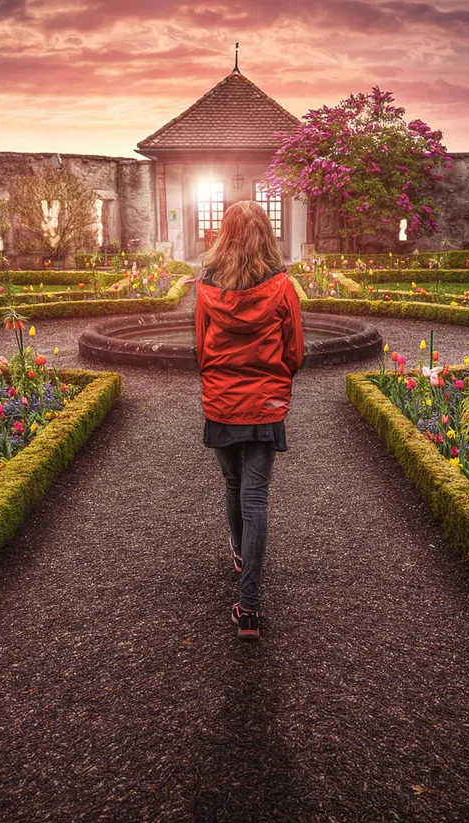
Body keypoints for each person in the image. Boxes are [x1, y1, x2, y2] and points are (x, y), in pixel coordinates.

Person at [194, 200, 304, 640]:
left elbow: (201, 350)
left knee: (233, 485)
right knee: (256, 498)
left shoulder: (205, 289)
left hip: (222, 404)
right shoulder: (283, 289)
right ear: (266, 235)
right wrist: (272, 382)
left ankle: (240, 552)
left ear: (225, 235)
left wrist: (222, 381)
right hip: (264, 407)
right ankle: (250, 608)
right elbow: (294, 352)